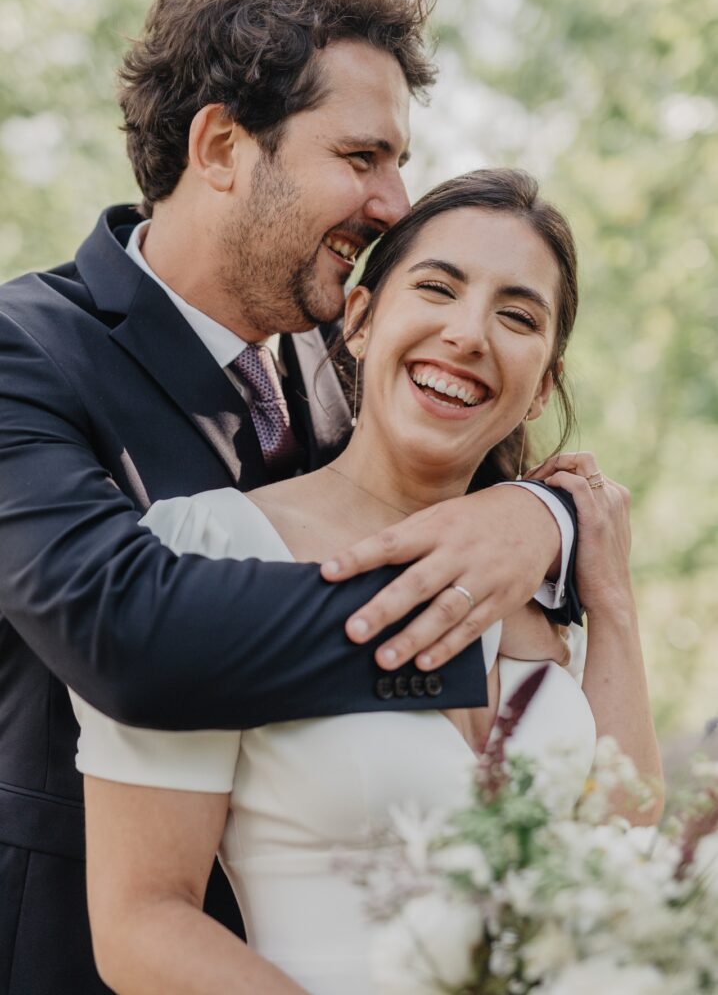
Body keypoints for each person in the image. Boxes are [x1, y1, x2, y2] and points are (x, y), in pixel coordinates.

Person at [0, 0, 580, 995]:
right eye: (362, 158)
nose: (392, 201)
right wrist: (456, 608)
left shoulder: (341, 367)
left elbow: (504, 473)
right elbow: (121, 627)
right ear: (222, 144)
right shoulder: (23, 352)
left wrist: (541, 520)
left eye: (399, 163)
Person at [70, 169, 663, 995]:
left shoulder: (536, 581)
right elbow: (143, 925)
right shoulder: (214, 549)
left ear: (544, 390)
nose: (468, 333)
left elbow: (624, 845)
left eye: (517, 315)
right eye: (437, 288)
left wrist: (612, 599)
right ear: (359, 319)